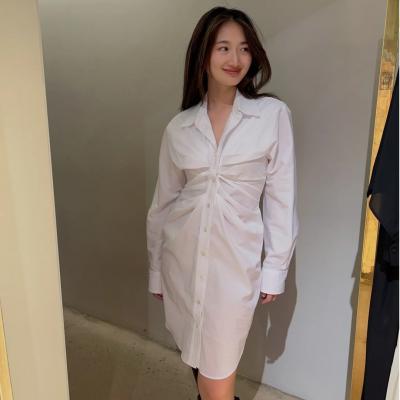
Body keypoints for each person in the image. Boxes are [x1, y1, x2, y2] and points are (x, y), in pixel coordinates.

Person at [146, 6, 299, 400]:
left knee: (218, 371)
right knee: (198, 361)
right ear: (203, 54)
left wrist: (275, 267)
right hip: (182, 262)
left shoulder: (271, 116)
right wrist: (157, 270)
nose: (235, 59)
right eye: (223, 48)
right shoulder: (179, 127)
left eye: (244, 49)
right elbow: (163, 205)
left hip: (234, 268)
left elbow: (281, 197)